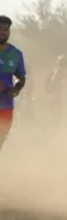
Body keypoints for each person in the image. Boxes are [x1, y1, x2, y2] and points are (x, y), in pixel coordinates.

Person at [0, 15, 28, 153]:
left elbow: (21, 78)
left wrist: (17, 88)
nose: (2, 32)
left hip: (5, 105)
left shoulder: (16, 54)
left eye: (5, 29)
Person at [45, 55, 67, 126]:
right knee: (56, 114)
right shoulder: (58, 72)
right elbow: (54, 83)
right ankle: (52, 127)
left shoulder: (57, 71)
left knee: (55, 113)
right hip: (56, 95)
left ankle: (53, 126)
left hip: (54, 95)